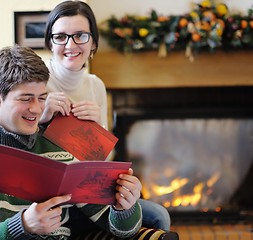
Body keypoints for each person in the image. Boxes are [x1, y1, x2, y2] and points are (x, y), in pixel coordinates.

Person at [0, 45, 143, 239]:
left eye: (42, 98)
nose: (36, 109)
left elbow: (120, 230)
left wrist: (124, 207)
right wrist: (23, 225)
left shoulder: (62, 148)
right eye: (26, 99)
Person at [40, 0, 171, 230]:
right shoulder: (36, 80)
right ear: (50, 42)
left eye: (80, 35)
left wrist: (97, 126)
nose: (70, 45)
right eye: (61, 36)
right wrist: (42, 116)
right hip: (48, 197)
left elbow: (103, 160)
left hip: (87, 193)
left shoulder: (95, 86)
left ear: (93, 42)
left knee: (158, 216)